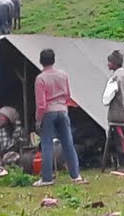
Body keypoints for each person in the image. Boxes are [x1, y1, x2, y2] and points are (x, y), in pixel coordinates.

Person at [33, 48, 85, 187]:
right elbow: (68, 95)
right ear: (54, 60)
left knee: (47, 145)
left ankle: (47, 178)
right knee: (68, 143)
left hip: (48, 113)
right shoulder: (63, 75)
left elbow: (41, 104)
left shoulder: (40, 79)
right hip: (63, 110)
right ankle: (76, 175)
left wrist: (38, 120)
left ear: (41, 61)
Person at [102, 49, 124, 172]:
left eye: (110, 62)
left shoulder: (115, 78)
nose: (108, 64)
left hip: (118, 115)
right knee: (123, 139)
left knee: (122, 142)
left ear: (115, 63)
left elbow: (106, 99)